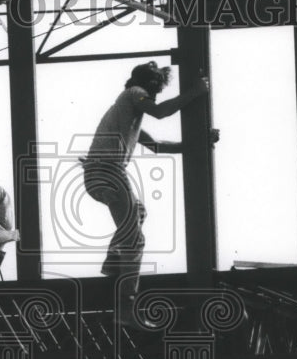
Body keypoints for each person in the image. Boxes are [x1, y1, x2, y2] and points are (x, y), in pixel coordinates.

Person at [81, 61, 218, 301]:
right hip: (108, 171)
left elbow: (156, 145)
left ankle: (114, 262)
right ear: (149, 87)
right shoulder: (135, 93)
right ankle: (127, 300)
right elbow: (161, 112)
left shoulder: (127, 116)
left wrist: (200, 142)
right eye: (155, 92)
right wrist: (196, 92)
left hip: (97, 174)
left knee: (139, 213)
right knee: (135, 238)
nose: (154, 98)